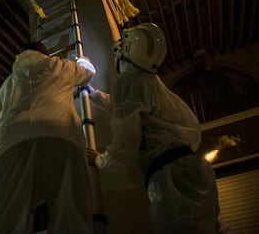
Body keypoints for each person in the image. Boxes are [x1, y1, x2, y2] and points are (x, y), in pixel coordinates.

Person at [86, 23, 226, 234]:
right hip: (195, 170)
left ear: (127, 50)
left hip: (170, 177)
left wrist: (99, 159)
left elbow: (126, 144)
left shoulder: (129, 82)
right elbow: (131, 110)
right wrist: (95, 95)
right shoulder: (151, 82)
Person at [0, 41, 95, 234]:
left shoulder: (8, 84)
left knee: (5, 223)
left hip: (8, 144)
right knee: (69, 217)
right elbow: (89, 72)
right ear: (46, 55)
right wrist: (82, 60)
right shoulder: (62, 66)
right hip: (60, 135)